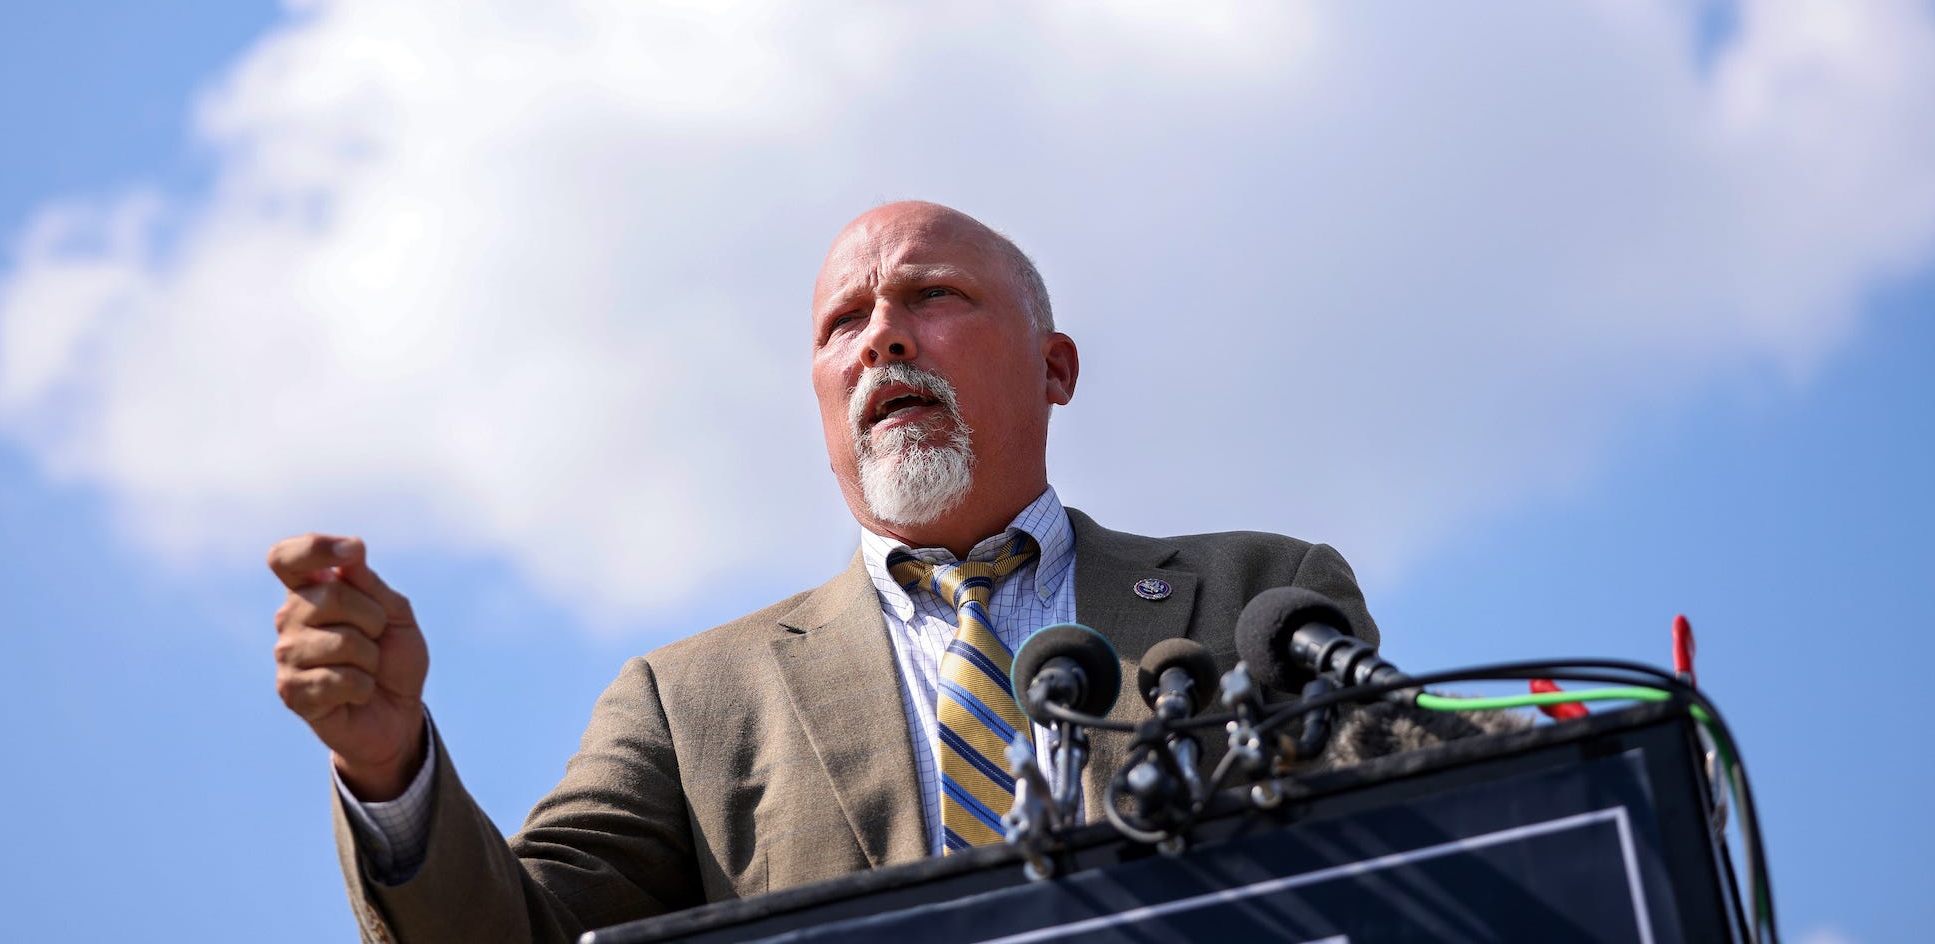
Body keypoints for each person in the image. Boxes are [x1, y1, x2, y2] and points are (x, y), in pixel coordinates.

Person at [269, 202, 1498, 944]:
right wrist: (389, 767)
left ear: (1055, 364)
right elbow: (521, 937)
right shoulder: (687, 701)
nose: (883, 337)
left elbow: (1411, 843)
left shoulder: (1256, 592)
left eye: (930, 296)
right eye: (841, 322)